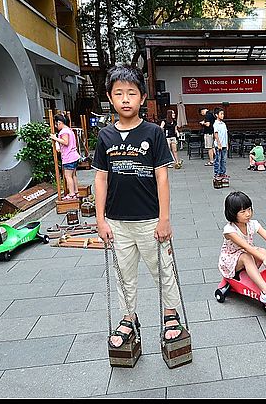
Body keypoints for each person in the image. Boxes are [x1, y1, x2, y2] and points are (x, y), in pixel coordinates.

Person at [92, 64, 185, 349]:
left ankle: (170, 313)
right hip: (117, 221)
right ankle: (128, 318)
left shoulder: (153, 133)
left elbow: (162, 177)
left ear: (142, 98)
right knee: (124, 275)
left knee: (162, 269)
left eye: (131, 93)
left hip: (149, 220)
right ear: (110, 97)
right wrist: (100, 220)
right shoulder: (105, 136)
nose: (125, 99)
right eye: (119, 93)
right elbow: (100, 178)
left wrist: (164, 219)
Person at [50, 113, 81, 200]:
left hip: (69, 157)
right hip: (74, 156)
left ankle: (71, 194)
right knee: (73, 175)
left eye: (56, 124)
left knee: (68, 176)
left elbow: (65, 142)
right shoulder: (69, 130)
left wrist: (54, 138)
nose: (56, 127)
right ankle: (76, 192)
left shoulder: (63, 131)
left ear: (59, 123)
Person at [212, 107, 229, 181]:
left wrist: (227, 143)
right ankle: (217, 174)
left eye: (223, 114)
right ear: (216, 115)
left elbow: (226, 134)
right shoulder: (216, 124)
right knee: (217, 160)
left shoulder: (223, 124)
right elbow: (216, 134)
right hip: (218, 145)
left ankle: (222, 173)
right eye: (221, 114)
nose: (222, 115)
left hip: (224, 144)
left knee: (224, 160)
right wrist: (219, 144)